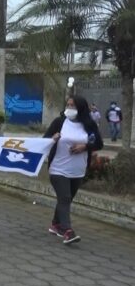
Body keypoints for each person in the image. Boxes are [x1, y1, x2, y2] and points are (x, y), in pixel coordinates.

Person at [43, 96, 103, 245]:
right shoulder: (59, 122)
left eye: (73, 106)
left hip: (78, 170)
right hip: (58, 168)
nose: (69, 108)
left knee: (66, 199)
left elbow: (99, 143)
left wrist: (85, 147)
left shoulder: (89, 125)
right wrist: (53, 139)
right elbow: (44, 140)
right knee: (65, 198)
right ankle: (68, 231)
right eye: (68, 105)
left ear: (81, 109)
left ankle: (55, 225)